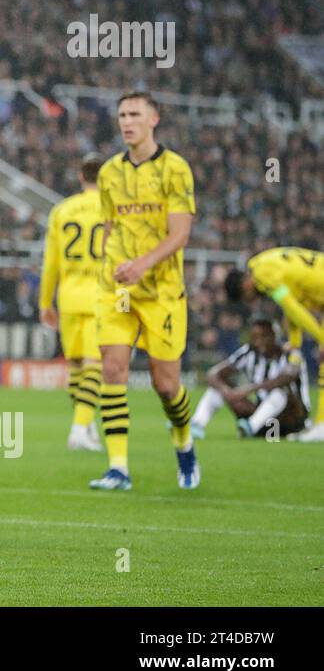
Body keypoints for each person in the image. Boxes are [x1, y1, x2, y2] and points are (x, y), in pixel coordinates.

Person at [90, 92, 199, 491]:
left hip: (162, 290)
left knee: (166, 385)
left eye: (134, 114)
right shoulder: (108, 173)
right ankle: (117, 467)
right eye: (121, 115)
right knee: (113, 368)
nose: (126, 121)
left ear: (154, 118)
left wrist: (142, 265)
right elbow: (109, 226)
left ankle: (184, 441)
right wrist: (109, 263)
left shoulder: (175, 169)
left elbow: (181, 233)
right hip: (117, 288)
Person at [39, 154, 106, 451]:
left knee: (77, 366)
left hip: (68, 296)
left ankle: (86, 424)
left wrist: (45, 302)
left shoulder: (61, 210)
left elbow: (50, 263)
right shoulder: (113, 209)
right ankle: (79, 428)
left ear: (81, 177)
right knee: (95, 364)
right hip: (100, 295)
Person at [224, 247, 324, 442]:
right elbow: (293, 305)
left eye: (247, 299)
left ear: (245, 286)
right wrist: (295, 345)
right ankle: (321, 424)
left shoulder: (263, 278)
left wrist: (320, 337)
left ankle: (322, 425)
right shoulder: (260, 263)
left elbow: (293, 309)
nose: (251, 302)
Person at [192, 320, 310, 439]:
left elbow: (287, 377)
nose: (258, 342)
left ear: (274, 336)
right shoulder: (249, 351)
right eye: (254, 338)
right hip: (265, 422)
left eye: (263, 337)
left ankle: (250, 427)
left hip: (291, 420)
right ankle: (197, 424)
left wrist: (247, 390)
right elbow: (213, 374)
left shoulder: (291, 353)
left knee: (280, 392)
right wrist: (227, 392)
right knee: (217, 388)